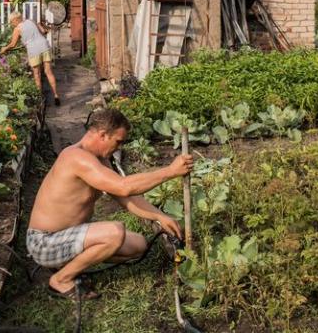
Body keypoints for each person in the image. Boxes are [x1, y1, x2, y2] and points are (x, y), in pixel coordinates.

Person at [26, 108, 194, 299]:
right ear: (103, 134)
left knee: (139, 245)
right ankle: (61, 280)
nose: (119, 148)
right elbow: (124, 187)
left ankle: (67, 264)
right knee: (114, 233)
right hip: (45, 242)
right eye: (118, 141)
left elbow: (125, 198)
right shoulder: (76, 158)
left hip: (65, 237)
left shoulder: (100, 161)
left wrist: (159, 216)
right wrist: (169, 171)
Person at [0, 12, 61, 105]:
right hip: (44, 46)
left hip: (34, 50)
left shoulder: (17, 29)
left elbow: (12, 44)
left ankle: (40, 100)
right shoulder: (31, 21)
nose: (11, 24)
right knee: (48, 72)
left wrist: (5, 48)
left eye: (11, 22)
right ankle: (56, 96)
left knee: (37, 74)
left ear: (16, 20)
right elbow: (43, 32)